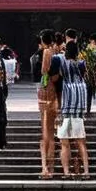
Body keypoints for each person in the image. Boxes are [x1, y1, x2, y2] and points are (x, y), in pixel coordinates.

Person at [56, 40, 90, 179]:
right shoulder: (82, 63)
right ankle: (86, 171)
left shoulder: (62, 62)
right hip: (79, 104)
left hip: (66, 103)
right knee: (81, 141)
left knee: (64, 142)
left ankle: (66, 172)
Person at [35, 29, 59, 177]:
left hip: (46, 91)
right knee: (51, 132)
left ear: (43, 41)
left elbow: (44, 71)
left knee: (46, 133)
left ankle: (46, 168)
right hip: (56, 93)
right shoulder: (58, 52)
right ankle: (52, 167)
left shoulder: (46, 53)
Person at [82, 33, 96, 113]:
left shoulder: (88, 49)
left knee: (88, 90)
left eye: (90, 40)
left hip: (88, 73)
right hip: (94, 73)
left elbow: (82, 60)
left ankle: (88, 108)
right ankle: (88, 107)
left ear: (93, 40)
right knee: (90, 90)